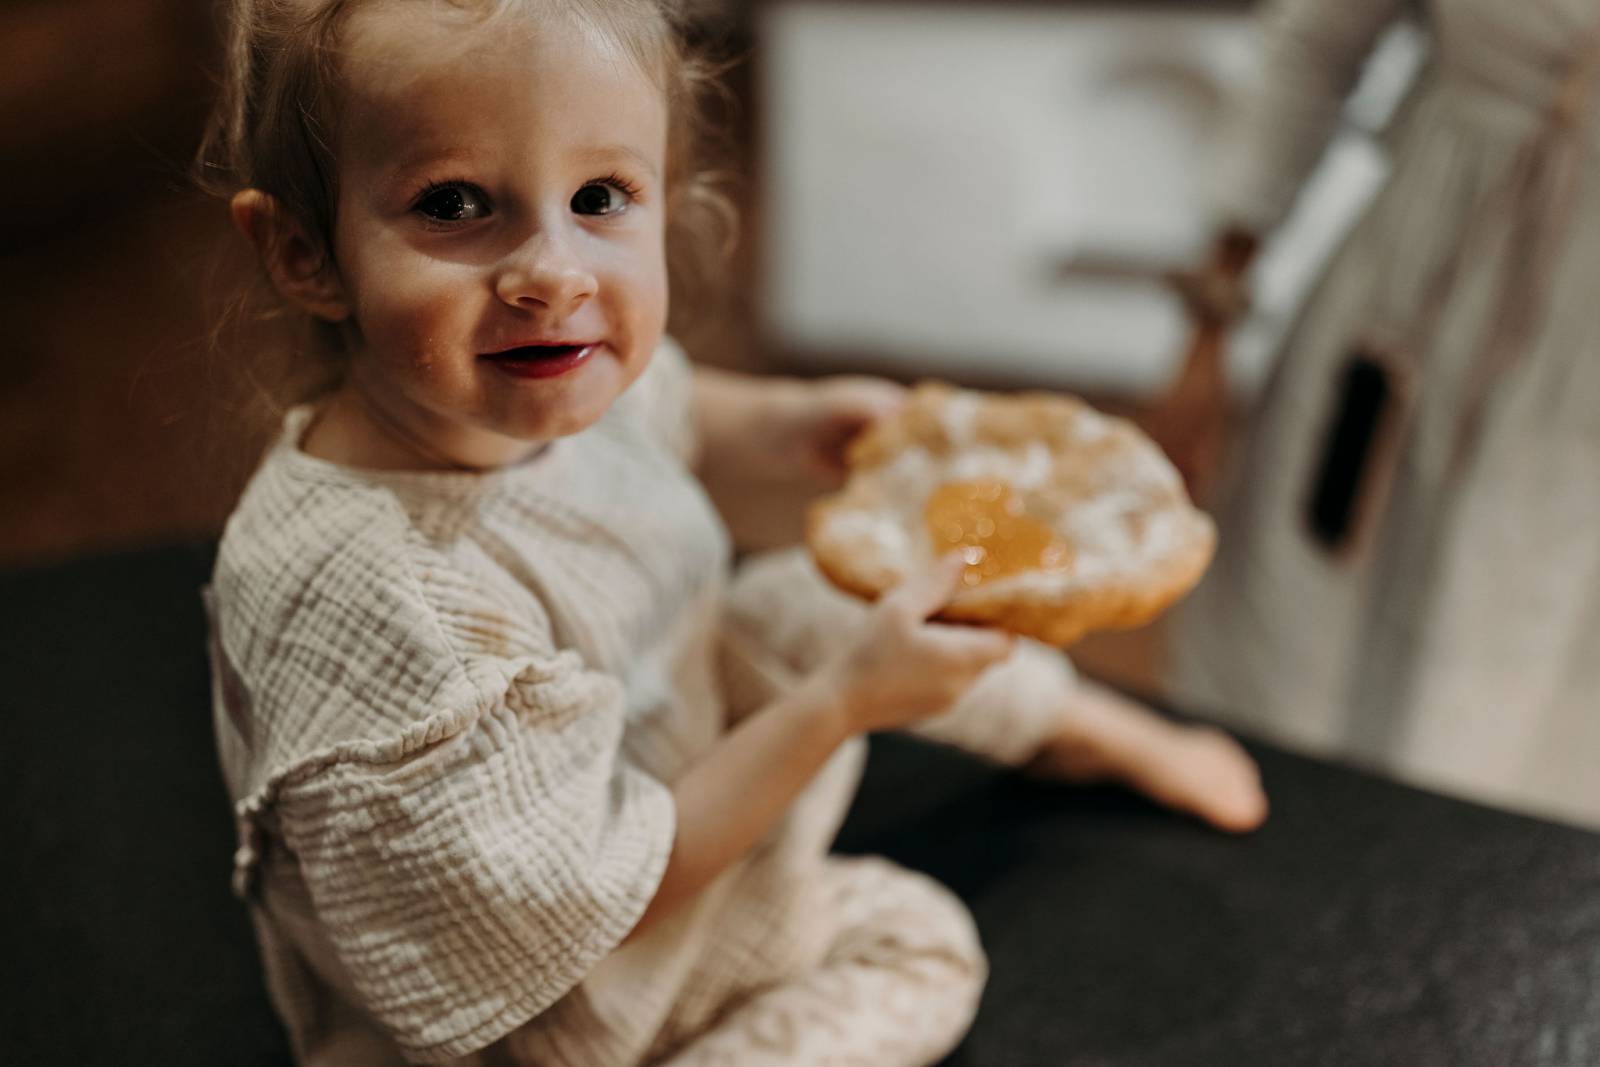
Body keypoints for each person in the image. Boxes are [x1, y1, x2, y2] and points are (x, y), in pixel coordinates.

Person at [197, 1, 1266, 1063]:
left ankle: (1078, 725)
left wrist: (790, 424)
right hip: (569, 992)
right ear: (305, 252)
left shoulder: (527, 384)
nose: (554, 275)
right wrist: (841, 705)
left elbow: (669, 408)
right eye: (456, 203)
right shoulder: (385, 599)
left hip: (655, 757)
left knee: (823, 595)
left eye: (600, 196)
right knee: (918, 942)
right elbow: (589, 893)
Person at [1156, 0, 1600, 826]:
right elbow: (1314, 48)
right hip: (1408, 309)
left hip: (1579, 393)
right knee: (1305, 638)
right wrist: (1209, 330)